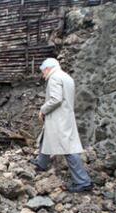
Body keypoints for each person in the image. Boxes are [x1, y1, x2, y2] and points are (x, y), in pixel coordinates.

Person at [30, 58, 93, 193]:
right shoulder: (66, 77)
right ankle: (41, 163)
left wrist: (43, 109)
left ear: (47, 68)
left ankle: (83, 181)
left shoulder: (54, 78)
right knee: (45, 136)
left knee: (68, 149)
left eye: (42, 71)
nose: (42, 74)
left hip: (58, 118)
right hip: (65, 116)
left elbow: (55, 99)